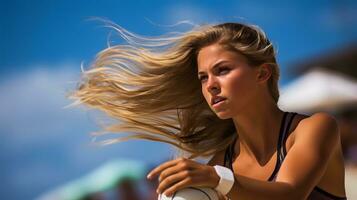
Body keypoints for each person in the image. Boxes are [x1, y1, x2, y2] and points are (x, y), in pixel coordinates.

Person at [69, 22, 347, 200]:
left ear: (262, 73)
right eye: (203, 77)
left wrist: (216, 179)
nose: (211, 85)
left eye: (222, 70)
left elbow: (290, 194)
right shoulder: (223, 162)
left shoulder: (314, 129)